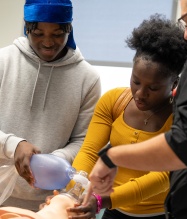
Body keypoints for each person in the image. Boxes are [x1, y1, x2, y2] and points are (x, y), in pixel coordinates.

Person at [86, 0, 187, 218]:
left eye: (186, 21)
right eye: (136, 82)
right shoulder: (114, 100)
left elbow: (184, 145)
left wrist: (111, 157)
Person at [65, 14, 187, 219]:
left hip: (159, 214)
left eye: (153, 88)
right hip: (113, 210)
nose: (140, 94)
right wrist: (74, 190)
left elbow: (162, 177)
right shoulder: (114, 101)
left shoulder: (182, 117)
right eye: (136, 81)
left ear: (174, 85)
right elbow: (90, 151)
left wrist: (101, 201)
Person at [0, 0, 101, 211]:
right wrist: (14, 145)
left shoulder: (87, 78)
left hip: (49, 202)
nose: (48, 42)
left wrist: (54, 162)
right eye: (38, 33)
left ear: (69, 28)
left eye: (57, 34)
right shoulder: (3, 62)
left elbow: (83, 140)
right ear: (27, 27)